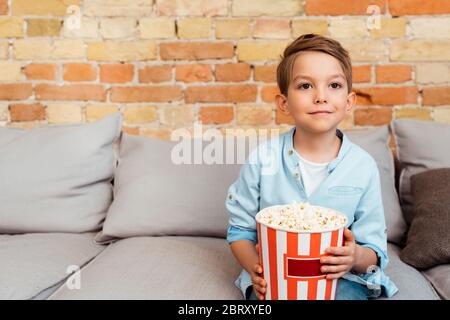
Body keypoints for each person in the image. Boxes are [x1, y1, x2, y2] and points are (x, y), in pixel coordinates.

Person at [225, 34, 398, 300]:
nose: (320, 97)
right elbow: (240, 231)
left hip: (339, 279)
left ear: (349, 101)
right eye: (306, 86)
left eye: (334, 85)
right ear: (284, 103)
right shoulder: (263, 158)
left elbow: (374, 248)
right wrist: (255, 269)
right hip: (278, 276)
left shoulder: (363, 167)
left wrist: (355, 257)